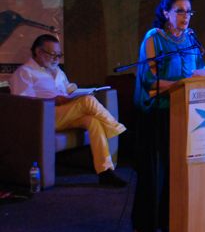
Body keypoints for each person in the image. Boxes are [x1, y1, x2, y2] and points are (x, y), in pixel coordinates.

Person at [131, 0, 205, 232]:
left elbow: (201, 72)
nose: (186, 16)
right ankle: (146, 225)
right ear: (166, 13)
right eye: (180, 11)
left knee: (177, 170)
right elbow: (149, 80)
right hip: (157, 113)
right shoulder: (155, 38)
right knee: (155, 171)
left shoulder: (191, 38)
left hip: (184, 112)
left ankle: (169, 222)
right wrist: (181, 85)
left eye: (189, 12)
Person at [9, 34, 128, 186]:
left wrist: (74, 92)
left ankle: (105, 171)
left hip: (63, 114)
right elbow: (23, 105)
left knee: (93, 121)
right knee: (88, 101)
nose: (56, 59)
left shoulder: (58, 71)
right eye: (53, 54)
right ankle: (118, 129)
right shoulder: (24, 72)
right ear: (38, 52)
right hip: (42, 119)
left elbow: (67, 89)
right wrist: (54, 100)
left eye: (59, 55)